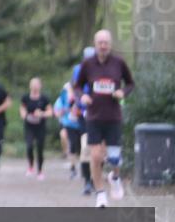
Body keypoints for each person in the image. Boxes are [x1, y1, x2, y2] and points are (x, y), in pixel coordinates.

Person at [74, 30, 135, 208]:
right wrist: (81, 97)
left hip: (113, 116)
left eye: (106, 42)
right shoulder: (88, 64)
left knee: (115, 158)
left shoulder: (119, 63)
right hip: (94, 116)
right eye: (100, 42)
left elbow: (130, 83)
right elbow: (77, 86)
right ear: (95, 44)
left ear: (110, 44)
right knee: (95, 156)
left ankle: (114, 177)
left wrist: (122, 92)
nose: (103, 46)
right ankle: (100, 194)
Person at [70, 46, 96, 195]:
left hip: (100, 113)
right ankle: (87, 181)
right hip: (84, 113)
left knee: (98, 150)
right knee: (86, 147)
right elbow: (76, 89)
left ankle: (94, 179)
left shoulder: (103, 69)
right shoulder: (78, 70)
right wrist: (78, 103)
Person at [19, 78, 52, 179]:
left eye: (37, 84)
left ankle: (40, 171)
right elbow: (22, 109)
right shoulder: (25, 98)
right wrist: (24, 115)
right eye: (33, 84)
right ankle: (30, 166)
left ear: (40, 86)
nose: (35, 86)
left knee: (40, 148)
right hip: (29, 126)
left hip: (40, 127)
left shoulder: (44, 98)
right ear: (30, 86)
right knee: (29, 146)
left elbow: (50, 112)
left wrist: (41, 113)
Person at [53, 80, 84, 180]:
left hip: (82, 124)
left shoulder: (82, 96)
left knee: (84, 147)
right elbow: (57, 113)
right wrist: (65, 111)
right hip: (69, 124)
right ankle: (73, 168)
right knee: (73, 145)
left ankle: (85, 168)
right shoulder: (62, 98)